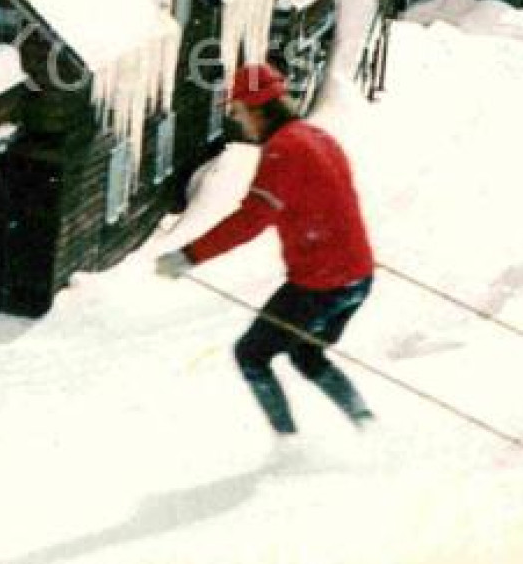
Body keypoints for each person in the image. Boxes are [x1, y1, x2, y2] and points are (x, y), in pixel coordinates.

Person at [155, 63, 376, 436]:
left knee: (252, 355)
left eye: (239, 112)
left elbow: (250, 221)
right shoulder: (317, 137)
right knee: (306, 354)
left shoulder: (282, 151)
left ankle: (289, 444)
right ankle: (366, 426)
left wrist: (188, 255)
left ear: (257, 110)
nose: (240, 122)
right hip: (357, 276)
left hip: (320, 285)